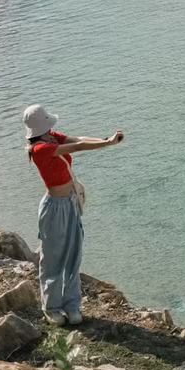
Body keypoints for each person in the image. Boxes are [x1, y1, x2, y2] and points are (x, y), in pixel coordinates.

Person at [23, 104, 123, 326]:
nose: (51, 128)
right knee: (53, 258)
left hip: (70, 204)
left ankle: (72, 304)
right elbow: (76, 148)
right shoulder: (40, 149)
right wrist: (107, 143)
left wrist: (106, 139)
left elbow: (76, 139)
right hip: (54, 207)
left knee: (73, 254)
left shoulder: (51, 138)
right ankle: (51, 307)